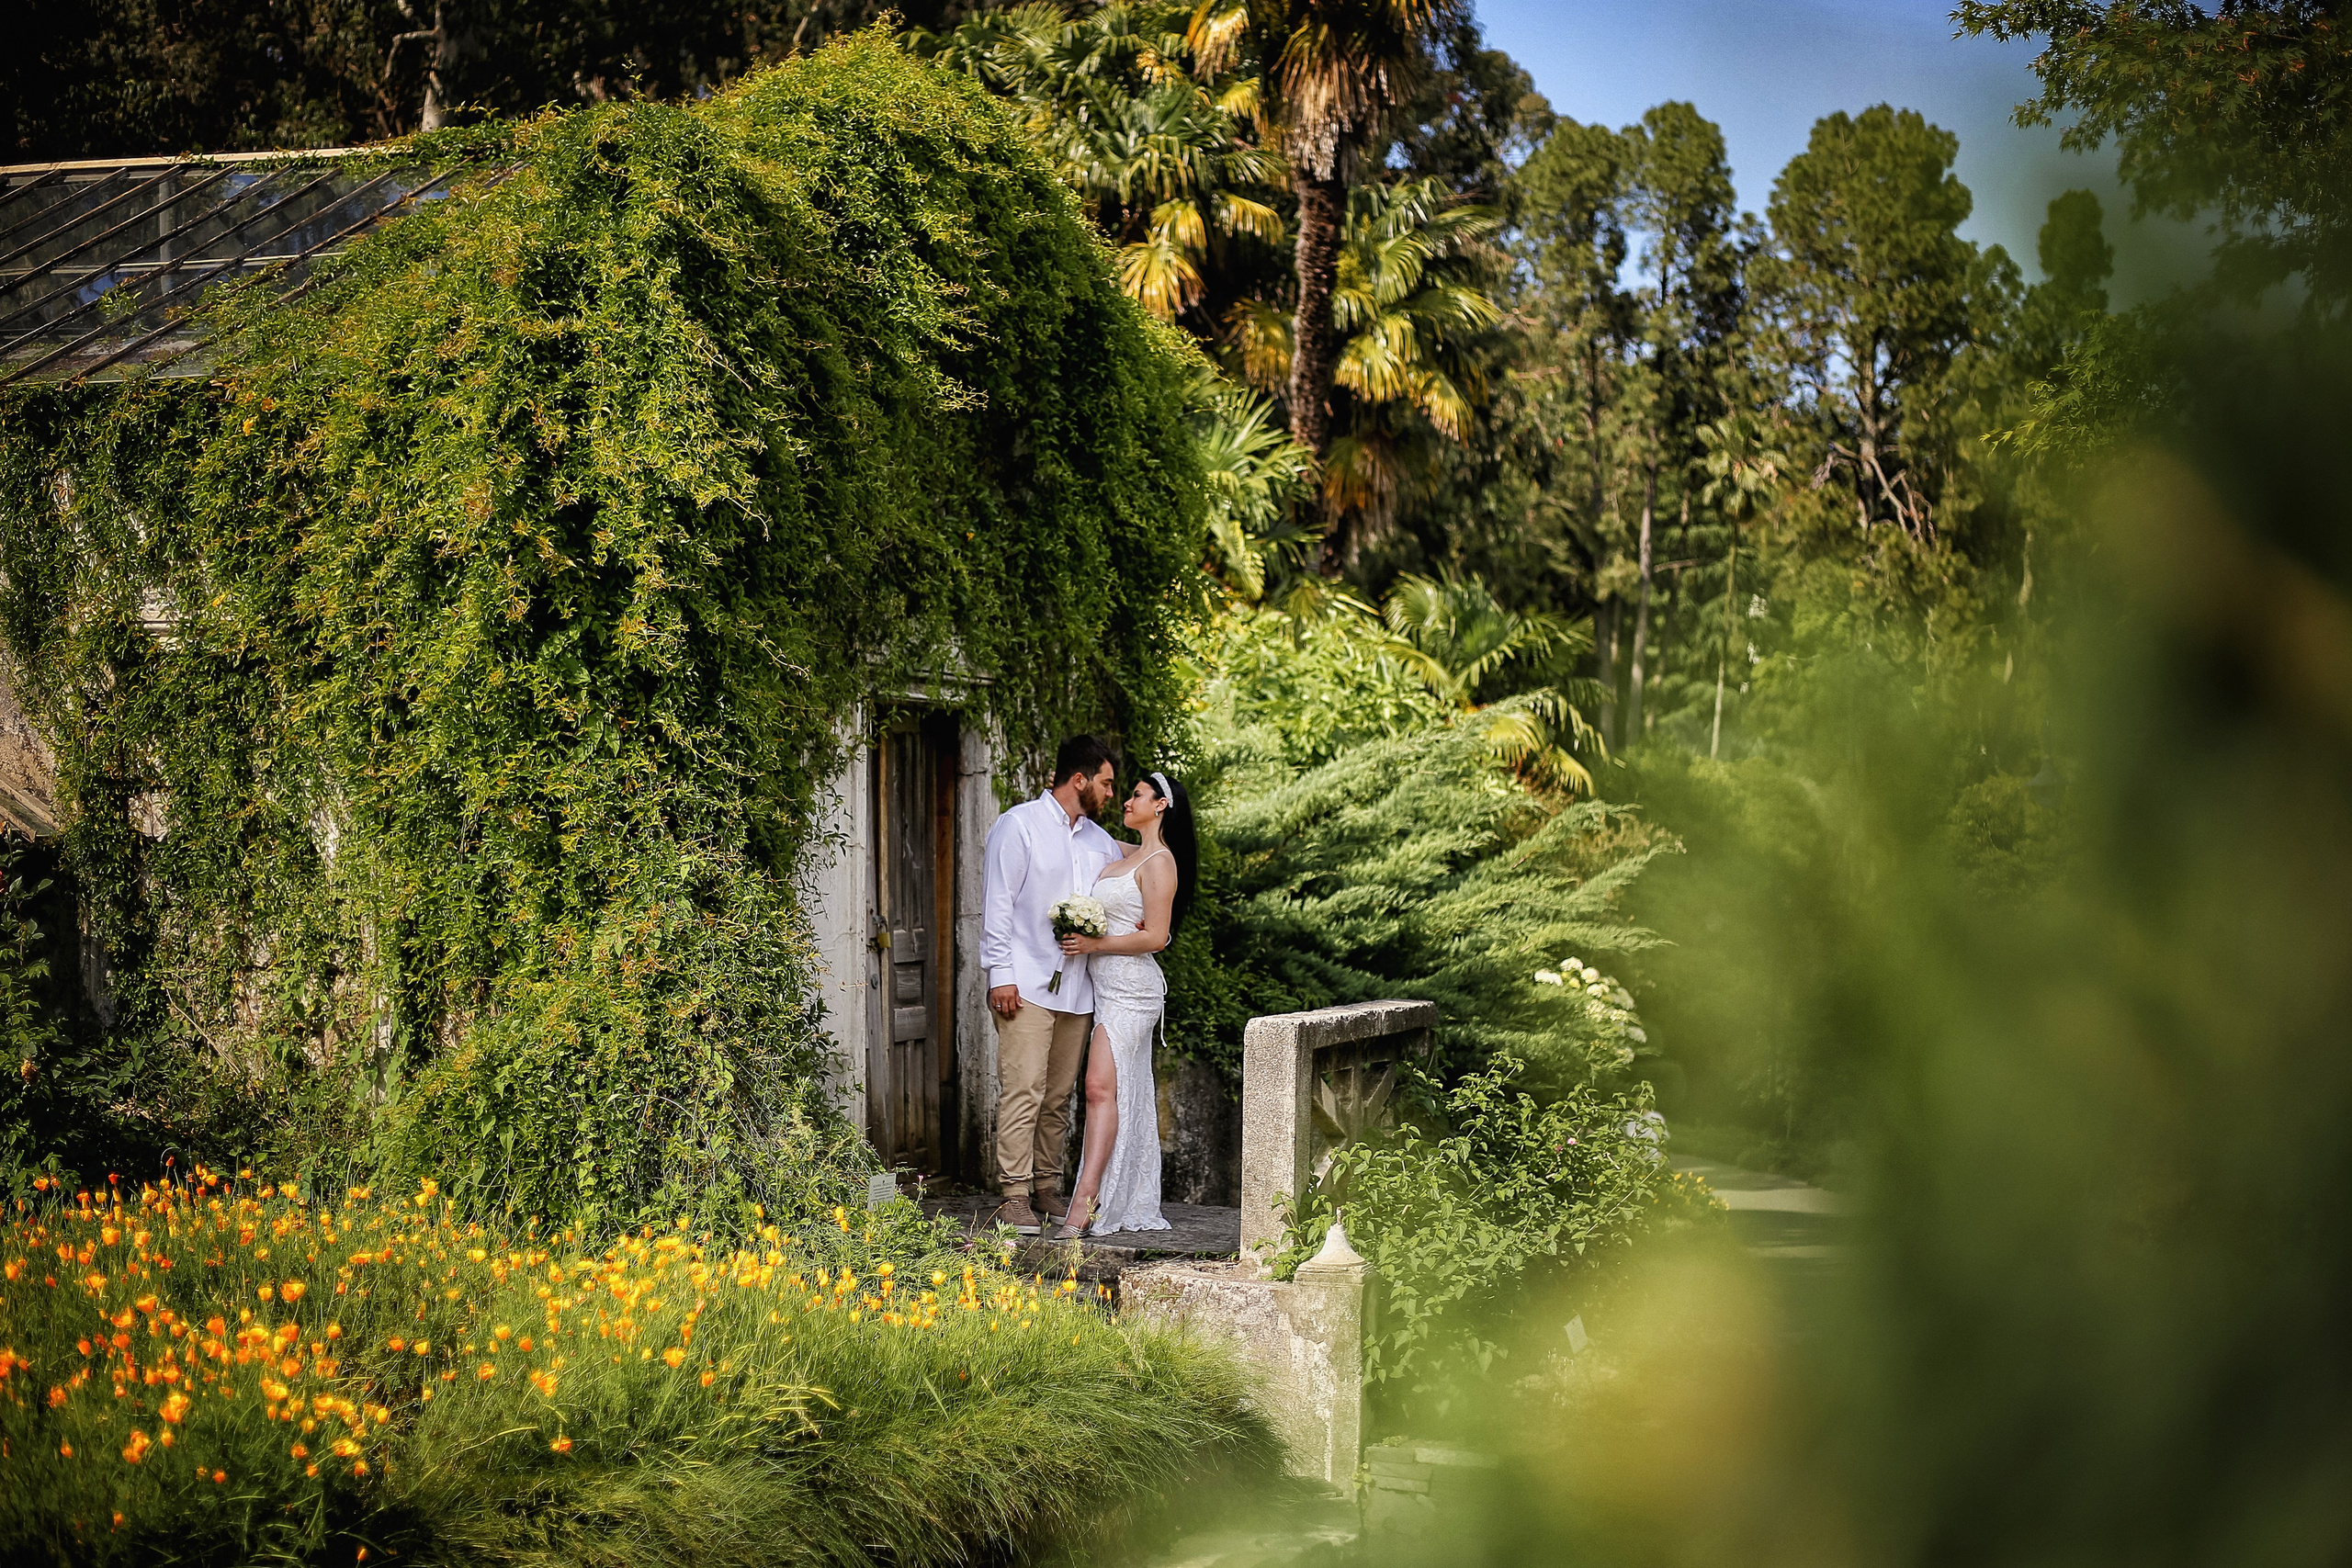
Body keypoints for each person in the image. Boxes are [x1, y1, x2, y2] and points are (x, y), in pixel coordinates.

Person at [979, 735, 1120, 1235]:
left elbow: (1142, 867)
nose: (1110, 794)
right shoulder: (1019, 826)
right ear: (1078, 780)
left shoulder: (1099, 842)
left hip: (1078, 990)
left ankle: (1044, 1188)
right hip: (1024, 984)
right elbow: (997, 905)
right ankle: (1013, 1196)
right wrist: (1001, 975)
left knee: (1059, 1096)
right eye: (1104, 783)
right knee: (1024, 1089)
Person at [1051, 769, 1195, 1239]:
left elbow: (1156, 936)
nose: (1126, 802)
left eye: (1136, 796)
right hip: (1105, 986)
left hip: (1133, 990)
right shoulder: (1131, 852)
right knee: (1112, 1092)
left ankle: (1084, 1204)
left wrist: (1095, 944)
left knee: (1098, 1087)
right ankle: (1110, 1195)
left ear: (1161, 806)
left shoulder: (1161, 863)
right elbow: (1083, 836)